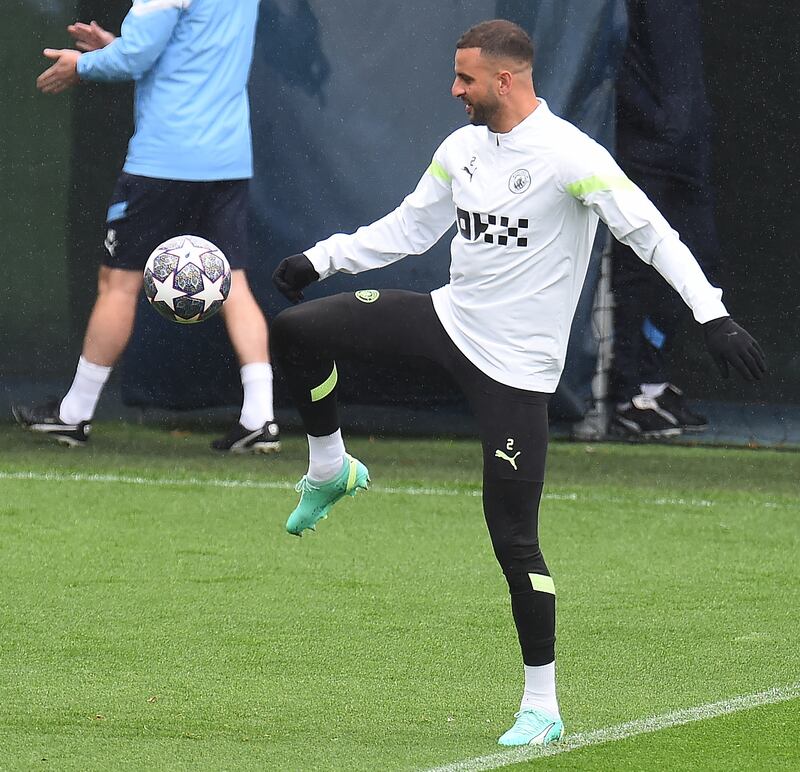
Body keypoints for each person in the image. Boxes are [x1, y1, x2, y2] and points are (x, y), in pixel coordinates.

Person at [269, 19, 765, 746]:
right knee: (299, 331)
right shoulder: (462, 148)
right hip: (446, 320)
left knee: (514, 541)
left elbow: (652, 232)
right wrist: (322, 259)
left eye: (465, 77)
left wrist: (713, 317)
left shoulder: (572, 156)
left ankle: (542, 705)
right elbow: (411, 228)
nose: (454, 89)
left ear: (506, 79)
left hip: (517, 372)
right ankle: (329, 466)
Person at [13, 1, 280, 454]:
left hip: (164, 159)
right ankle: (261, 418)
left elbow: (137, 58)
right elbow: (185, 52)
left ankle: (73, 415)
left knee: (118, 282)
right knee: (232, 278)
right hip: (226, 157)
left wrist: (84, 63)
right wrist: (115, 46)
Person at [610, 0, 721, 438]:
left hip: (688, 157)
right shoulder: (627, 10)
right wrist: (658, 124)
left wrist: (685, 130)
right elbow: (615, 63)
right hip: (645, 158)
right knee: (639, 273)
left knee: (701, 265)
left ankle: (654, 382)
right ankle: (627, 393)